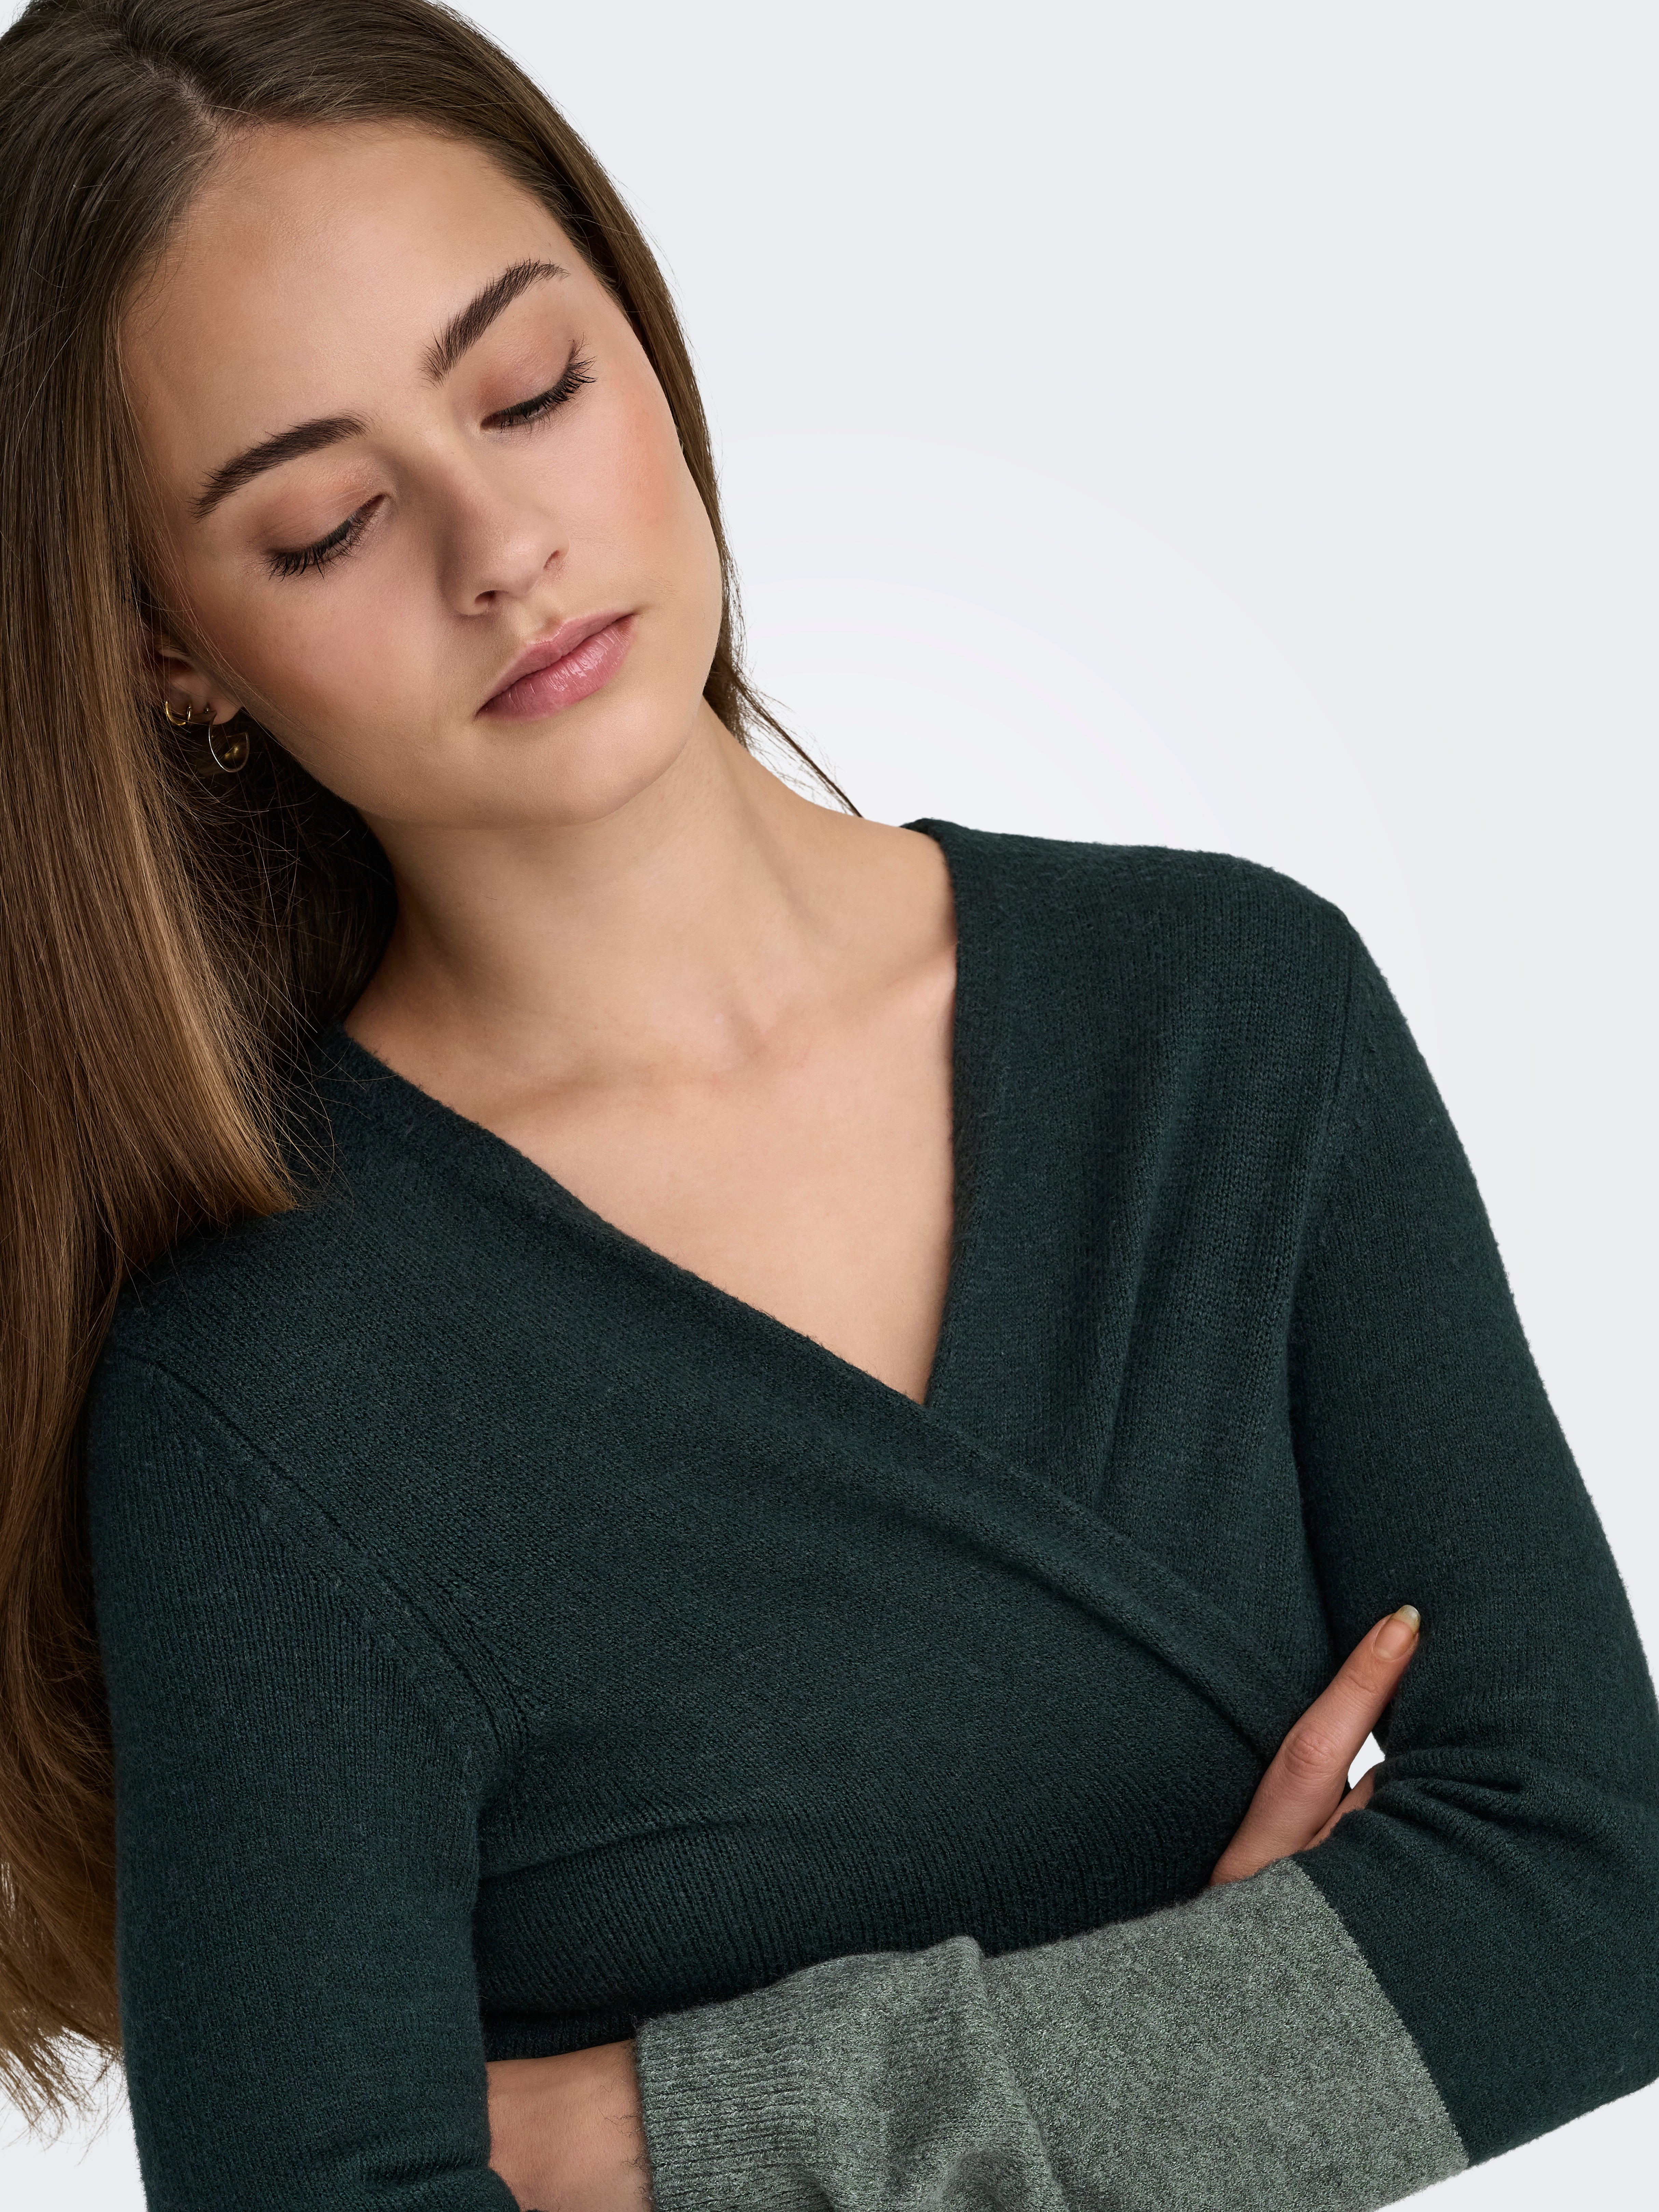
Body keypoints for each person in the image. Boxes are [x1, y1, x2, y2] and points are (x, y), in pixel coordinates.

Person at [0, 3, 1653, 2208]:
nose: (499, 546)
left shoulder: (1236, 1020)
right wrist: (1221, 2055)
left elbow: (1596, 1896)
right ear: (168, 650)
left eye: (531, 388)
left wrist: (644, 2131)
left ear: (646, 343)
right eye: (324, 524)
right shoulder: (267, 1398)